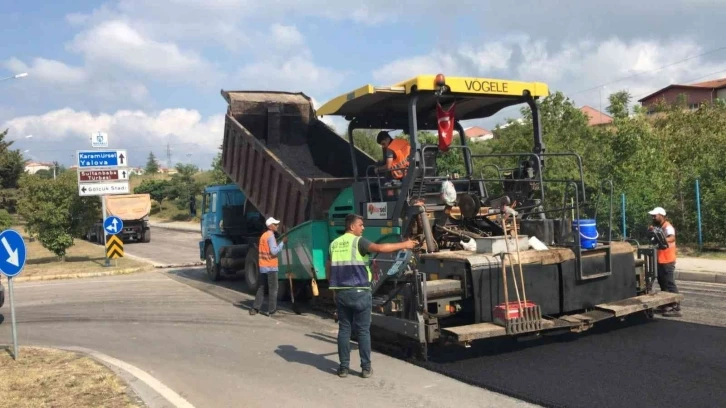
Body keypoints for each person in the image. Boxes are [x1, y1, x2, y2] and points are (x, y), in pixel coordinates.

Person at [327, 214, 416, 378]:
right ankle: (366, 368)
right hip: (360, 292)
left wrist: (333, 290)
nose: (363, 228)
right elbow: (380, 249)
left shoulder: (334, 244)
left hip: (341, 292)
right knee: (362, 331)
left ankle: (343, 368)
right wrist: (405, 244)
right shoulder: (358, 241)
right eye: (360, 225)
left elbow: (329, 269)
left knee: (344, 330)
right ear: (352, 227)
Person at [250, 217, 287, 316]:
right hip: (271, 267)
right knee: (273, 289)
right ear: (270, 226)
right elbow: (274, 251)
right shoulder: (270, 236)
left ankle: (255, 308)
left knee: (261, 288)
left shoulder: (263, 236)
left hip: (263, 267)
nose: (277, 226)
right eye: (275, 224)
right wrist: (282, 242)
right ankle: (272, 310)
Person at [648, 207, 681, 316]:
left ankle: (675, 307)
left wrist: (661, 239)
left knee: (669, 283)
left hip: (668, 260)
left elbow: (672, 238)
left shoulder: (668, 227)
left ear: (661, 216)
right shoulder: (659, 227)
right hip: (661, 259)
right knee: (662, 282)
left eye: (655, 215)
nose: (653, 217)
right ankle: (666, 304)